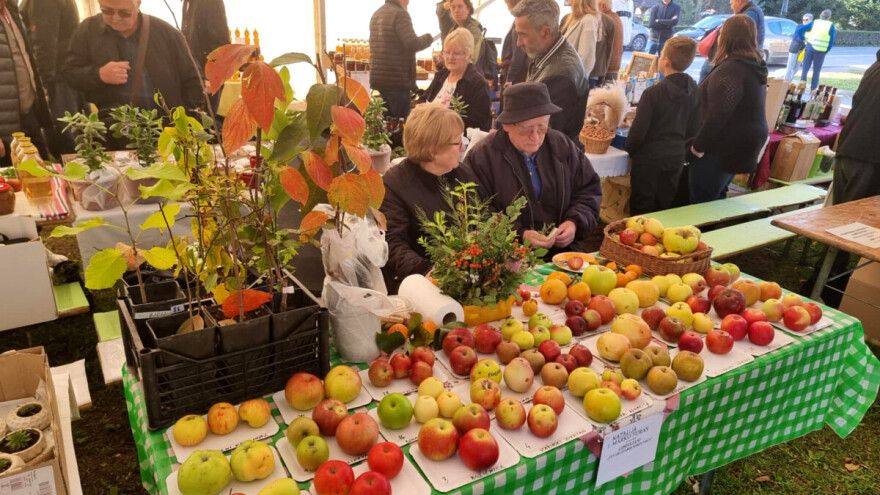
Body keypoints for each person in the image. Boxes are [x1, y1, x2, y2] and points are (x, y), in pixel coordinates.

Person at [464, 82, 601, 253]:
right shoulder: (482, 157)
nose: (535, 136)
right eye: (526, 129)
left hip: (562, 252)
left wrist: (574, 222)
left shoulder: (561, 145)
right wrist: (520, 234)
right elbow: (476, 211)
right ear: (506, 125)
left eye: (542, 127)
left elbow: (588, 190)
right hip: (507, 255)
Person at [800, 48, 880, 306]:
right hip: (869, 156)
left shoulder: (875, 67)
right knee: (853, 229)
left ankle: (821, 284)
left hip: (853, 151)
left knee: (842, 221)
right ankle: (828, 290)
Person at [380, 103, 478, 294]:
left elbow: (481, 216)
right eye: (457, 142)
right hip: (422, 287)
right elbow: (392, 242)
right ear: (433, 150)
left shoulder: (462, 173)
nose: (463, 146)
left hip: (468, 276)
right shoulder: (396, 183)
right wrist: (428, 271)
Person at [62, 0, 203, 123]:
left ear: (138, 4)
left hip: (167, 127)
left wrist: (184, 116)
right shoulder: (88, 30)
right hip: (117, 129)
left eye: (124, 12)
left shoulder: (166, 32)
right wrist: (98, 75)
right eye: (107, 11)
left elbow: (194, 79)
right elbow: (69, 73)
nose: (116, 18)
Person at [689, 15, 767, 203]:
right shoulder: (754, 64)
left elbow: (719, 113)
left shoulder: (732, 68)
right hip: (744, 143)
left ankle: (704, 232)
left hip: (724, 146)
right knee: (718, 196)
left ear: (727, 37)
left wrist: (697, 146)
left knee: (701, 203)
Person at [626, 36, 700, 215]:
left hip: (649, 158)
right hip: (675, 155)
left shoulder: (653, 93)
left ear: (666, 60)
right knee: (663, 207)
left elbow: (638, 132)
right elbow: (694, 127)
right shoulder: (695, 91)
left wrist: (631, 150)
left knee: (641, 208)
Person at [511, 0, 589, 148]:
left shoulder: (559, 77)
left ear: (546, 32)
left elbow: (543, 138)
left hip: (556, 161)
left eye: (523, 35)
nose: (519, 43)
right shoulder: (546, 54)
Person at [18, 0, 80, 156]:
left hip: (56, 77)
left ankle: (71, 179)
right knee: (72, 136)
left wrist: (42, 83)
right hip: (65, 75)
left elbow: (45, 41)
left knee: (65, 140)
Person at [0, 0, 52, 166]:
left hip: (29, 114)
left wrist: (38, 90)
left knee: (45, 176)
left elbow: (25, 57)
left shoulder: (11, 10)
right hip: (4, 127)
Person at [369, 0, 433, 119]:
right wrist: (429, 38)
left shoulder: (377, 14)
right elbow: (412, 43)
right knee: (400, 124)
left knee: (387, 123)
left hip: (380, 79)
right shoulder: (400, 14)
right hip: (397, 80)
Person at [421, 28, 491, 131]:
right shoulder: (441, 76)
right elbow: (424, 98)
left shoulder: (478, 84)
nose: (450, 57)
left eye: (456, 53)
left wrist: (442, 117)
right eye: (447, 52)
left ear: (469, 55)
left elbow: (478, 122)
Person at [181, 0, 229, 113]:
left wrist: (211, 79)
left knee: (208, 126)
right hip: (194, 78)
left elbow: (222, 44)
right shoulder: (186, 4)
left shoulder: (211, 2)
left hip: (208, 80)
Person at [700, 0, 764, 83]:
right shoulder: (748, 12)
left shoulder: (749, 14)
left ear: (739, 1)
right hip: (733, 59)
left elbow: (740, 39)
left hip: (734, 59)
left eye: (732, 3)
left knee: (706, 77)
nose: (731, 7)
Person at [436, 0, 484, 65]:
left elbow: (472, 59)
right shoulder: (453, 30)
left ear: (468, 9)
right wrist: (441, 61)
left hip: (469, 73)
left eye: (460, 7)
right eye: (453, 7)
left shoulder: (474, 30)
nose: (456, 10)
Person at [560, 0, 600, 76]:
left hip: (572, 79)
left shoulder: (589, 20)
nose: (568, 3)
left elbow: (586, 59)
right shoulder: (575, 19)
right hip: (567, 76)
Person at [801, 9, 835, 90]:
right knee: (816, 71)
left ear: (820, 15)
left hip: (809, 48)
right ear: (829, 17)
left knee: (805, 69)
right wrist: (826, 50)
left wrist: (804, 39)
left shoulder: (815, 22)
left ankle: (801, 87)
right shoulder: (831, 25)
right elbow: (832, 40)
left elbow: (800, 30)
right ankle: (813, 89)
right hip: (821, 52)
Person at [500, 0, 528, 87]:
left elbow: (519, 53)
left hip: (515, 77)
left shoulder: (519, 22)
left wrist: (509, 78)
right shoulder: (521, 20)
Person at [599, 0, 623, 83]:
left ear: (603, 7)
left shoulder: (606, 20)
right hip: (613, 69)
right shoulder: (616, 18)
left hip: (606, 69)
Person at [784, 13, 812, 81]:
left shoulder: (811, 29)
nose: (804, 21)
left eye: (806, 20)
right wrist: (805, 39)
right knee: (790, 66)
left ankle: (790, 80)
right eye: (803, 19)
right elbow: (797, 37)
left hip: (802, 51)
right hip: (794, 49)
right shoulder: (800, 27)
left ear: (811, 20)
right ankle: (786, 82)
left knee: (796, 68)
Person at [590, 8, 615, 87]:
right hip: (594, 75)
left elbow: (608, 52)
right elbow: (608, 53)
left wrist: (602, 78)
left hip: (592, 75)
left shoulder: (607, 22)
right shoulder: (608, 21)